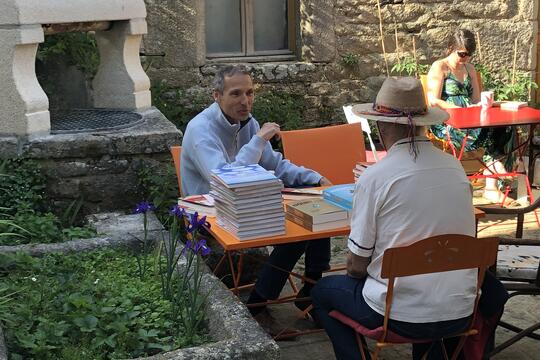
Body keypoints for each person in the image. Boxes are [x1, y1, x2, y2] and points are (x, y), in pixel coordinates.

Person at [311, 77, 508, 360]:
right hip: (461, 312)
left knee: (322, 291)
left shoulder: (375, 177)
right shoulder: (455, 168)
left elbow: (355, 266)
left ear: (380, 126)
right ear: (424, 123)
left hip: (396, 316)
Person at [181, 65, 332, 338]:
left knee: (315, 209)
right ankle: (258, 306)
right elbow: (226, 179)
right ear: (217, 95)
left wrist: (316, 178)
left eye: (249, 93)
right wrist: (258, 140)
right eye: (236, 93)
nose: (245, 101)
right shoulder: (200, 129)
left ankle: (312, 288)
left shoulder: (247, 123)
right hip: (210, 210)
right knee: (294, 230)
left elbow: (277, 165)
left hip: (248, 201)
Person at [427, 28, 515, 204]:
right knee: (489, 134)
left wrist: (484, 104)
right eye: (462, 54)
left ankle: (491, 184)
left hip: (472, 119)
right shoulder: (440, 66)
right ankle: (495, 176)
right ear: (451, 47)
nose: (465, 58)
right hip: (447, 120)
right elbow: (432, 100)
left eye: (469, 55)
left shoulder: (470, 68)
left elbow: (475, 99)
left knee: (505, 128)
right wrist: (457, 109)